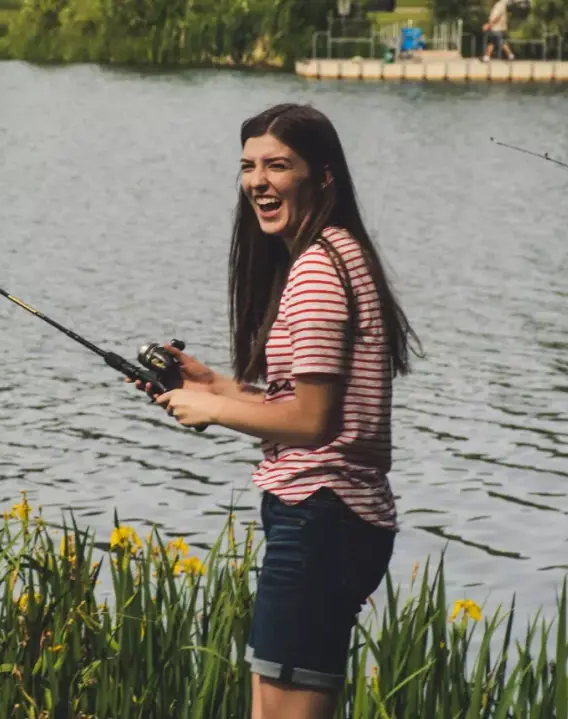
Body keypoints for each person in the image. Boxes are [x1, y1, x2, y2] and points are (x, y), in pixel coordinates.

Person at [129, 103, 421, 718]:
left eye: (278, 166)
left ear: (323, 176)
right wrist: (217, 385)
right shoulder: (338, 253)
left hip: (320, 518)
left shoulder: (316, 271)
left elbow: (313, 425)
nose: (258, 181)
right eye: (248, 167)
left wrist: (209, 411)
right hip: (332, 519)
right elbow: (308, 405)